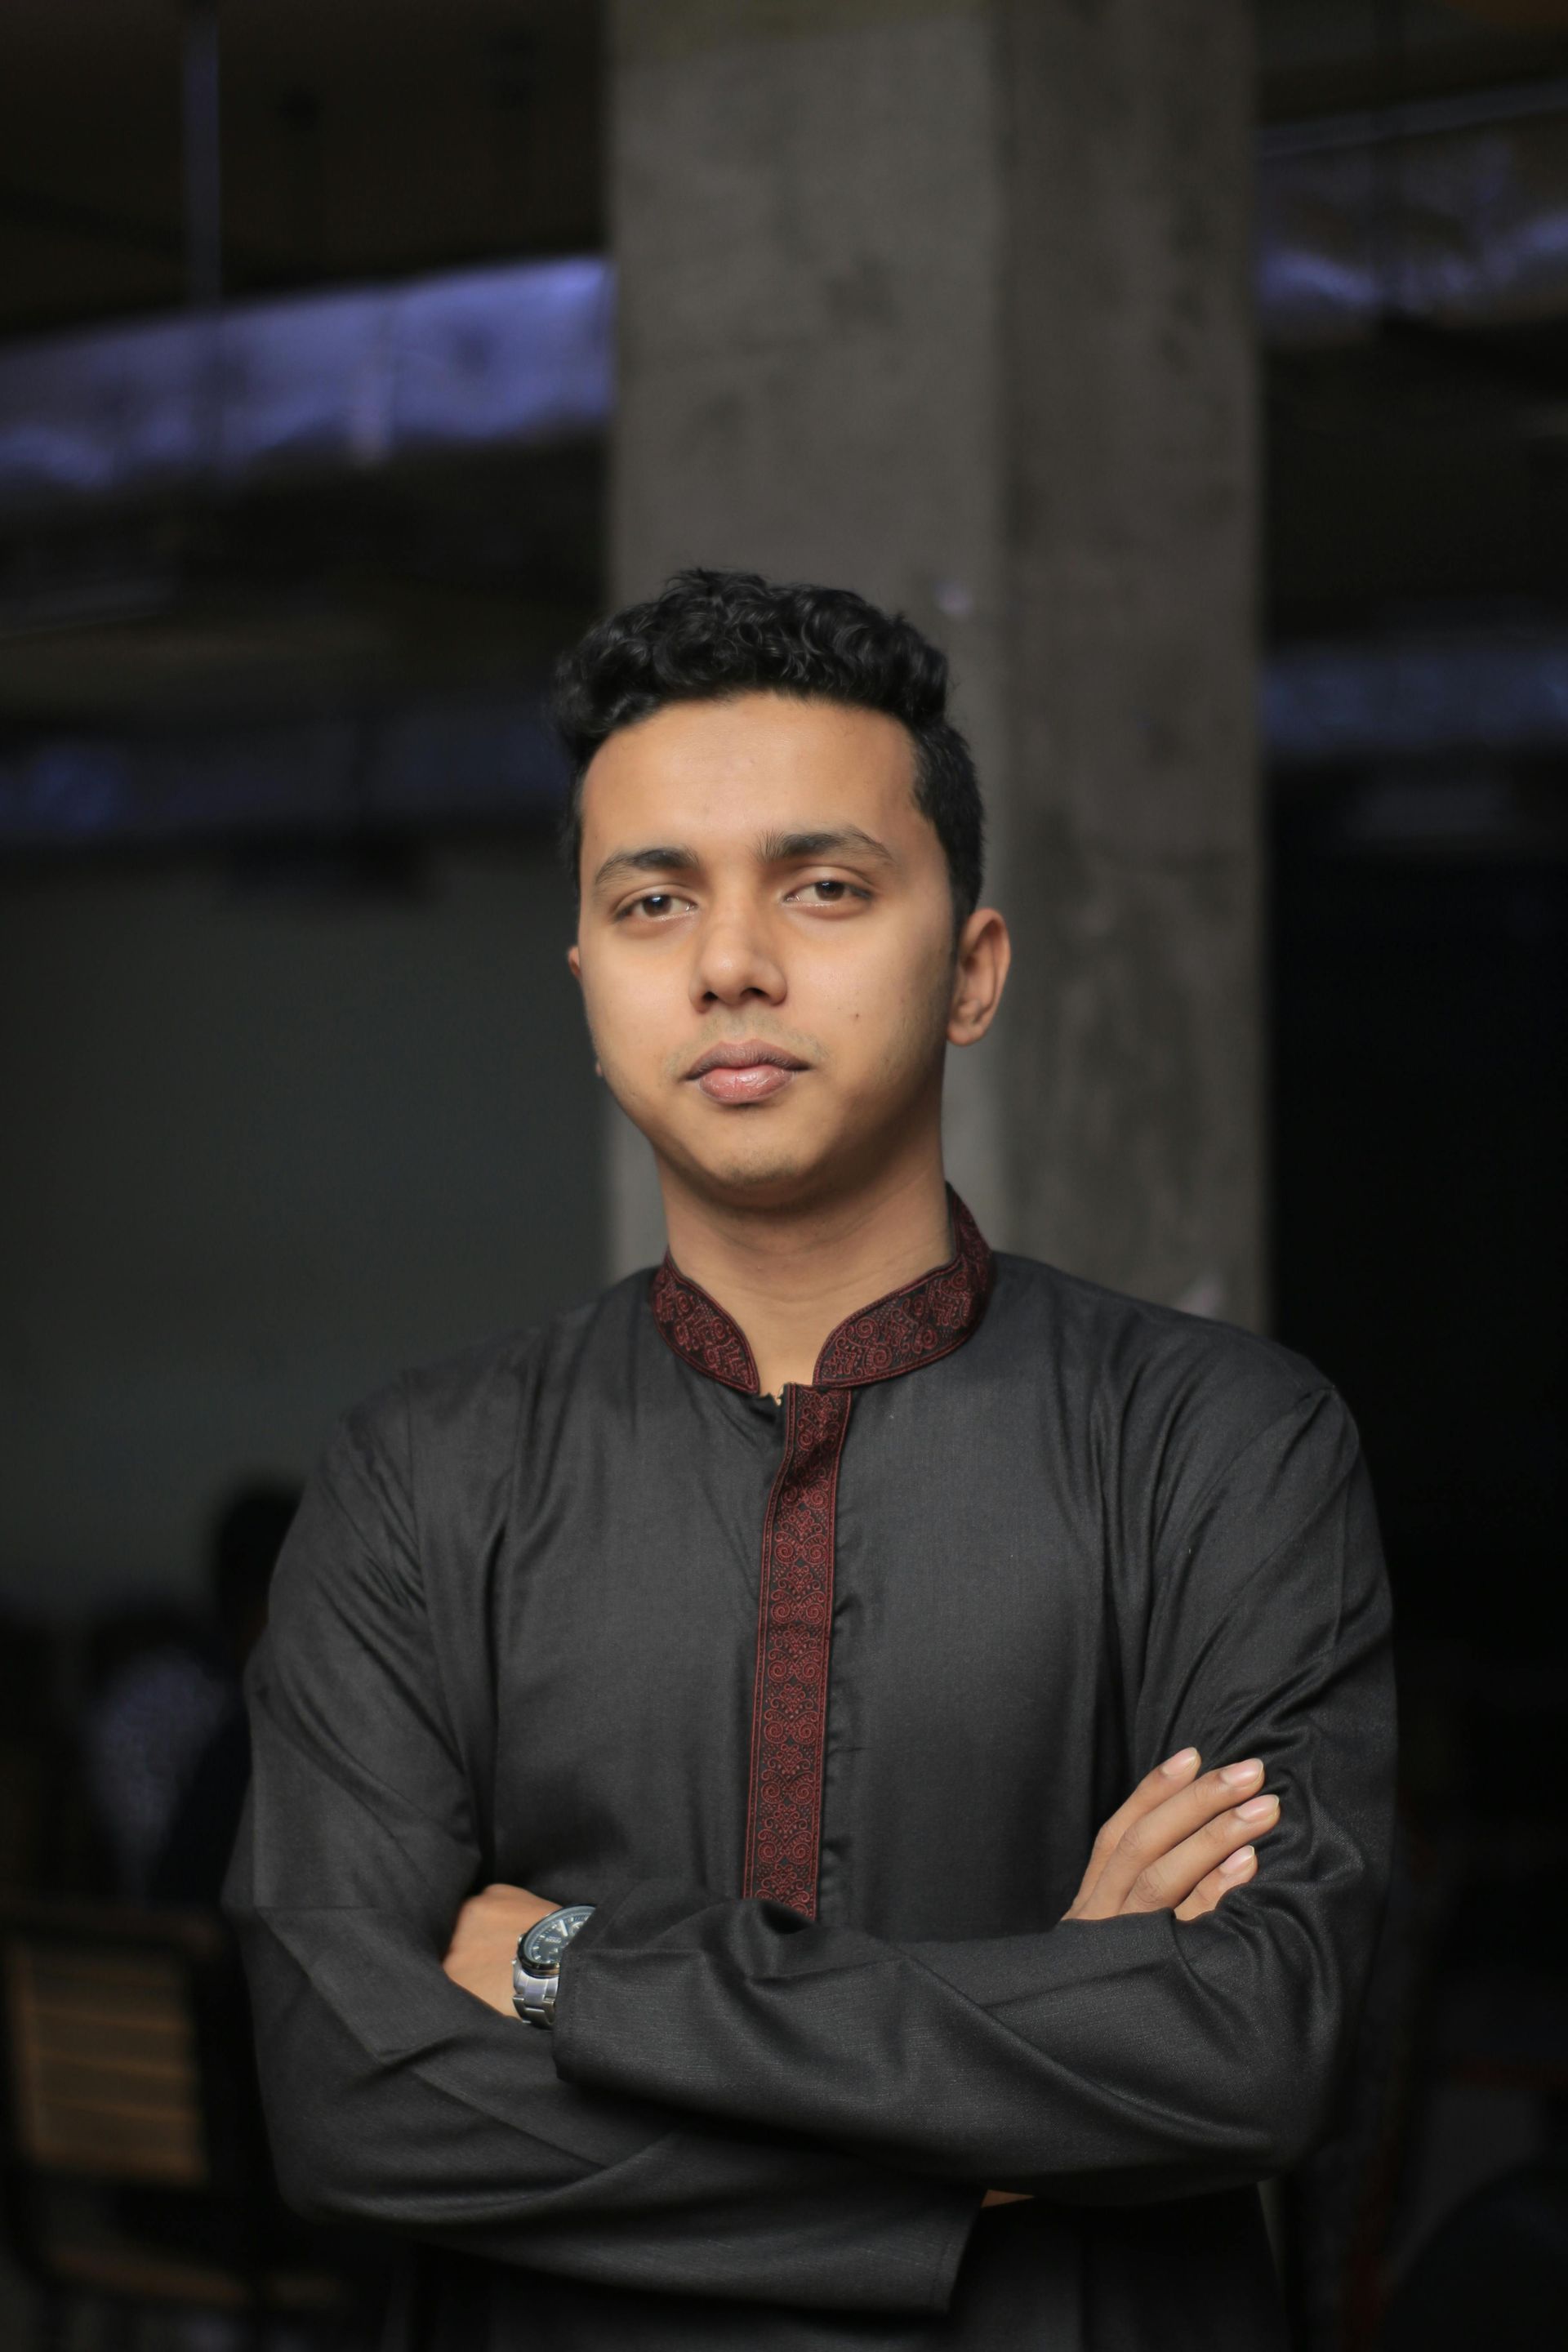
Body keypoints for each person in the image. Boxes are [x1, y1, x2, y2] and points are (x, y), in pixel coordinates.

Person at [225, 569, 1395, 2350]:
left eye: (825, 886)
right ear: (589, 978)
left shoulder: (1224, 1445)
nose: (732, 963)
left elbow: (1248, 2053)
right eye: (652, 900)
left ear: (975, 968)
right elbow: (349, 2095)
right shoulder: (420, 1478)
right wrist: (1027, 2087)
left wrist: (569, 1969)